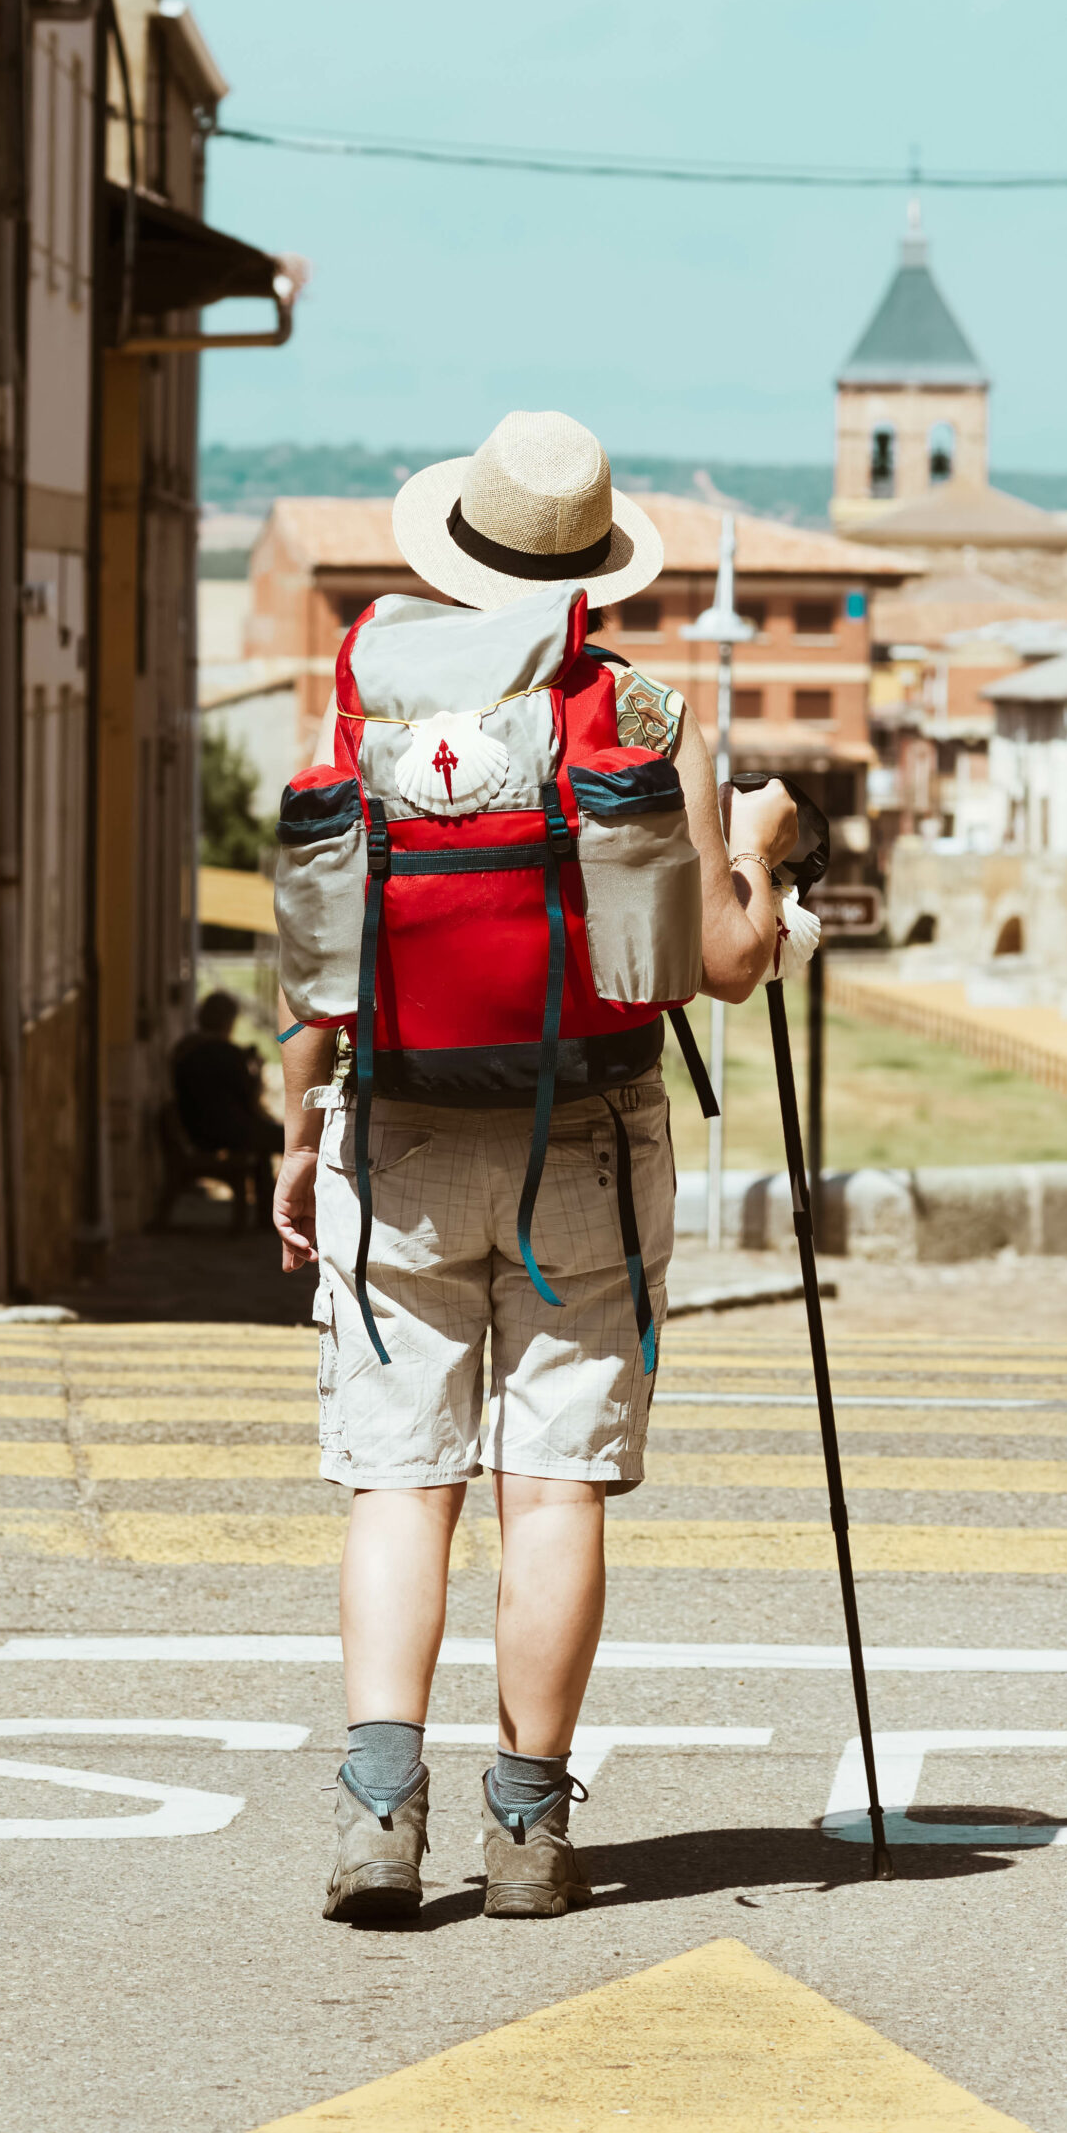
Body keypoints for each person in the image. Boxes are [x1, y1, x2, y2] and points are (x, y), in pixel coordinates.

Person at [272, 411, 797, 1923]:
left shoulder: (367, 694)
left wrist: (299, 1132)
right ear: (595, 568)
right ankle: (526, 1832)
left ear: (460, 544)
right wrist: (758, 861)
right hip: (585, 1130)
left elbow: (320, 953)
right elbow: (713, 967)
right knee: (550, 1488)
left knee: (397, 1483)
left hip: (396, 1122)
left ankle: (379, 1819)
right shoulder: (636, 708)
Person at [172, 991, 285, 1191]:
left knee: (262, 1146)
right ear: (228, 1021)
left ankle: (266, 1211)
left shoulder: (183, 1049)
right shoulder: (228, 1054)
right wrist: (256, 1074)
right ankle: (273, 1210)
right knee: (287, 1140)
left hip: (195, 1130)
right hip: (226, 1133)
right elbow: (249, 1100)